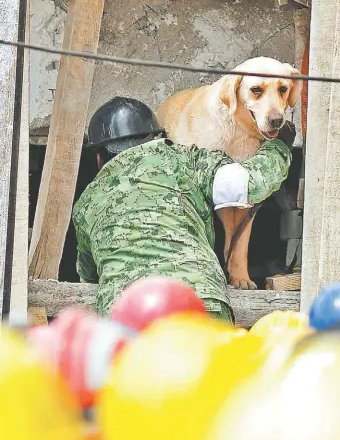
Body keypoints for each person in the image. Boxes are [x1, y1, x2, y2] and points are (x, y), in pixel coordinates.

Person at [72, 97, 293, 323]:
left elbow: (89, 275)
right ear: (158, 138)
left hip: (127, 315)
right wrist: (279, 147)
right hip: (197, 302)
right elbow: (243, 185)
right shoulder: (183, 159)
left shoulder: (86, 203)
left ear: (99, 159)